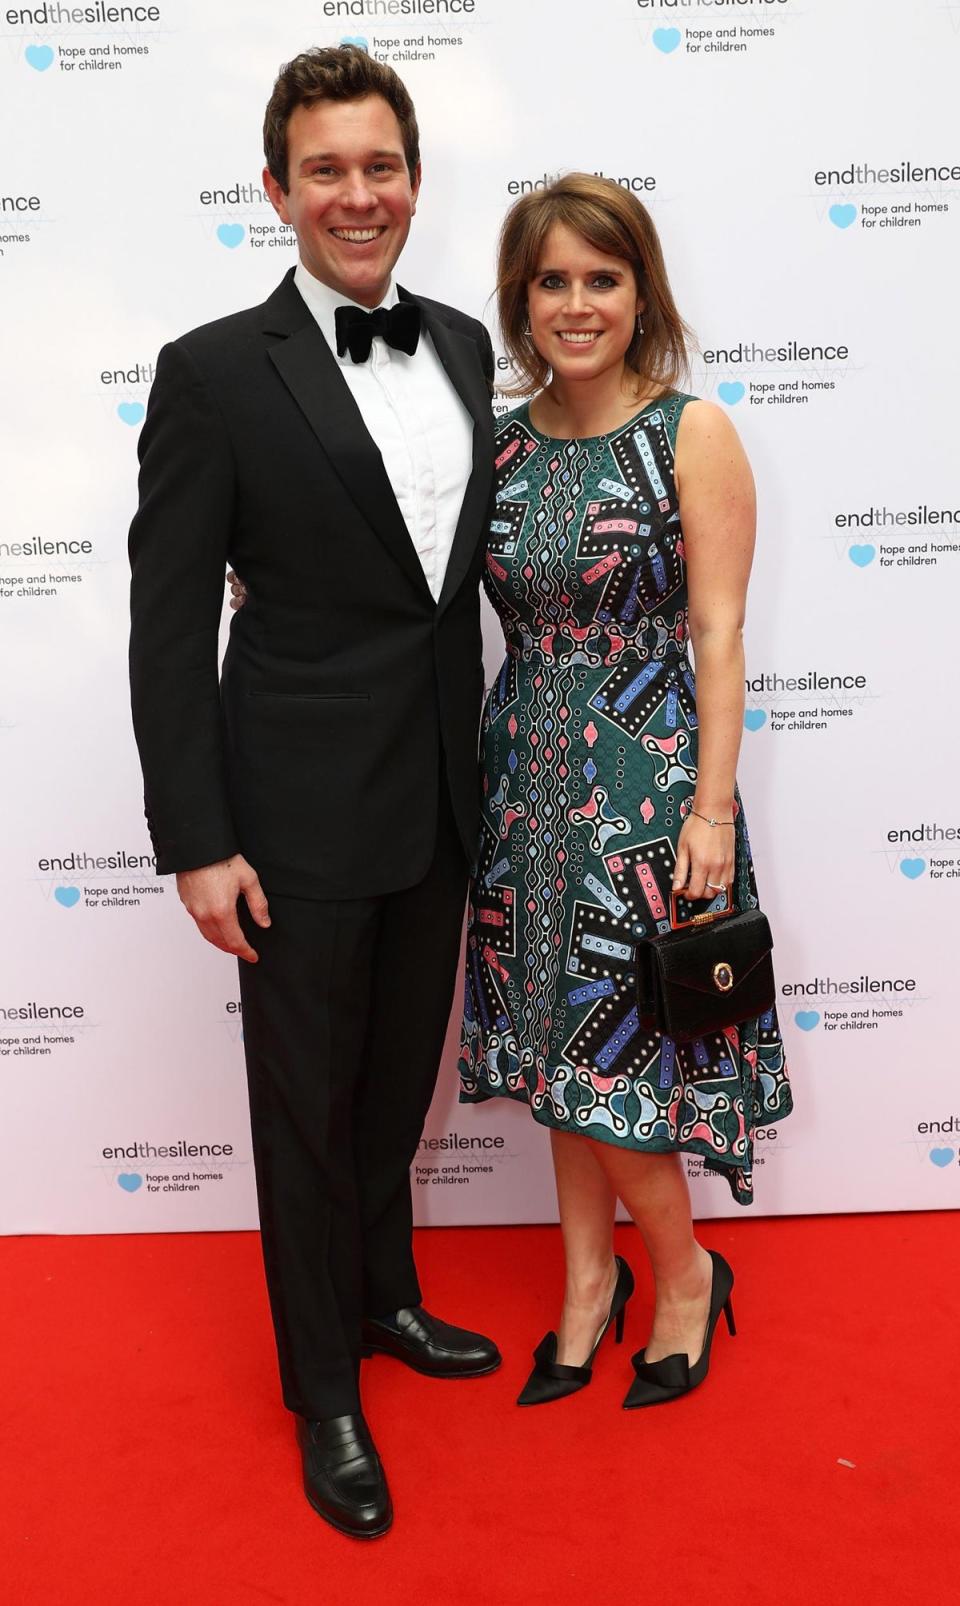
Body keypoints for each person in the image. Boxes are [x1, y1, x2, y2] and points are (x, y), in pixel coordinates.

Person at [127, 45, 500, 1540]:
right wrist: (199, 839)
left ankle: (388, 1293)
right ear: (277, 191)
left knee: (396, 1082)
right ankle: (322, 1386)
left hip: (440, 797)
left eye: (383, 165)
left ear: (415, 177)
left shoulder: (470, 346)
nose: (360, 195)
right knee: (301, 1105)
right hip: (289, 809)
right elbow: (168, 623)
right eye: (327, 170)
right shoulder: (212, 372)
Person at [458, 173, 793, 1408]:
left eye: (603, 277)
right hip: (520, 792)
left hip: (644, 801)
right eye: (554, 280)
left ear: (640, 290)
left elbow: (718, 634)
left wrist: (712, 807)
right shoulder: (495, 439)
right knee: (553, 1048)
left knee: (615, 1058)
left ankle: (687, 1274)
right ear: (521, 298)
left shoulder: (686, 432)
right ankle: (588, 1288)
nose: (578, 303)